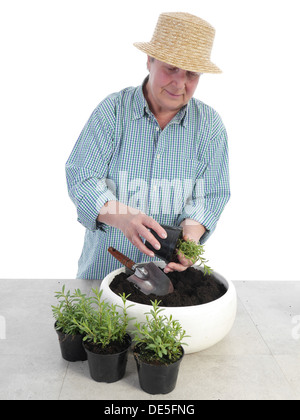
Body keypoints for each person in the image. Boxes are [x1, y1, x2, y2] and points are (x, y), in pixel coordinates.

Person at [66, 12, 230, 280]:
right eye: (171, 68)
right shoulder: (113, 111)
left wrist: (189, 237)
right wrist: (123, 217)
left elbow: (210, 196)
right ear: (149, 61)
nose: (180, 83)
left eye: (192, 74)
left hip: (168, 284)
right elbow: (81, 177)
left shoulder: (210, 126)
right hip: (103, 272)